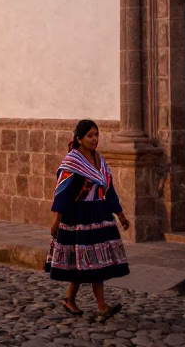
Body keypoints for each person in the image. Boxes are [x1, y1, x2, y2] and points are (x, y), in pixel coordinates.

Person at [45, 119, 131, 320]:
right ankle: (100, 306)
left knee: (89, 262)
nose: (95, 139)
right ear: (79, 139)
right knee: (89, 262)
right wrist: (57, 219)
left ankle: (71, 299)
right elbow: (62, 192)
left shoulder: (100, 161)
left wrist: (120, 214)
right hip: (78, 216)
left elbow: (109, 190)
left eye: (97, 135)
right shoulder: (71, 163)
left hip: (99, 214)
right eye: (90, 135)